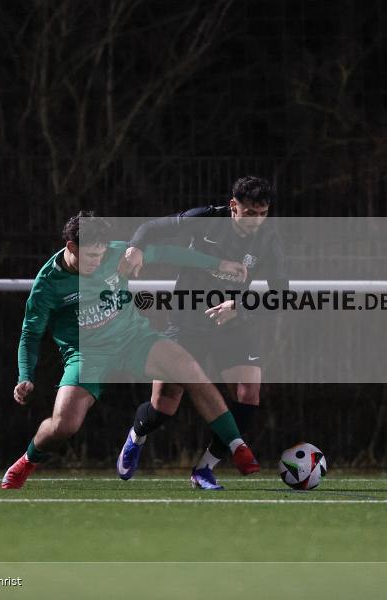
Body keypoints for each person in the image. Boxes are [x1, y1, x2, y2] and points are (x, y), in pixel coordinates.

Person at [1, 212, 260, 489]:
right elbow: (30, 334)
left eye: (101, 255)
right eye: (90, 256)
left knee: (189, 369)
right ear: (70, 247)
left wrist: (217, 263)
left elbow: (169, 254)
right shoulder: (48, 285)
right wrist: (25, 375)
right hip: (88, 355)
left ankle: (237, 446)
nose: (98, 262)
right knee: (64, 426)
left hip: (133, 339)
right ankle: (27, 460)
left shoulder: (117, 254)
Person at [115, 176, 286, 489]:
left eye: (263, 213)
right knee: (164, 406)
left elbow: (281, 293)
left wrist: (241, 306)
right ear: (234, 206)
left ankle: (205, 469)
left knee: (249, 394)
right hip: (186, 321)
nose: (256, 221)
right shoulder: (206, 219)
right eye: (250, 213)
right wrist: (134, 248)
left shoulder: (268, 240)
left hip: (231, 324)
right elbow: (152, 228)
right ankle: (137, 435)